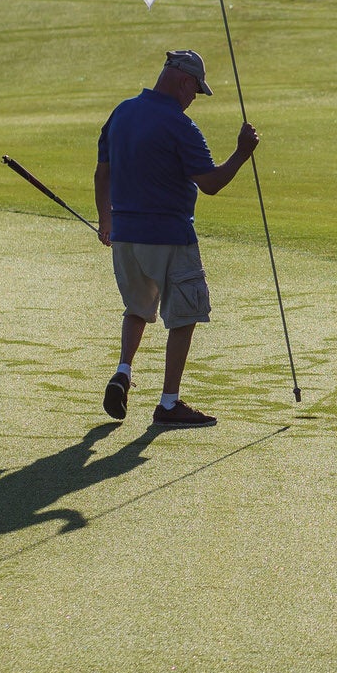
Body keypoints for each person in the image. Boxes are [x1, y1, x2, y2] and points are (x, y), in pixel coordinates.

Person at [94, 50, 259, 429]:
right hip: (170, 236)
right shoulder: (180, 126)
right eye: (195, 91)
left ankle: (123, 371)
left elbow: (102, 174)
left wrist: (107, 222)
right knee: (184, 315)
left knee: (137, 308)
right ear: (184, 81)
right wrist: (242, 152)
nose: (193, 98)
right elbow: (212, 184)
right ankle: (168, 403)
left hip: (126, 237)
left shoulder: (122, 112)